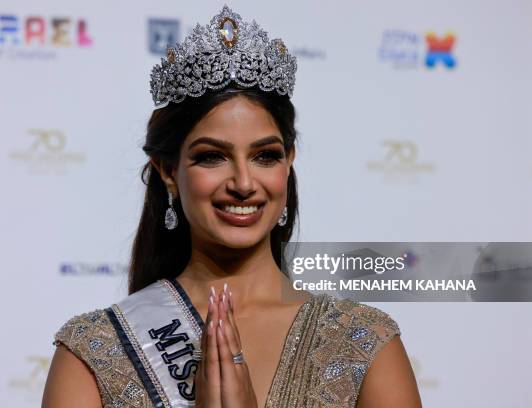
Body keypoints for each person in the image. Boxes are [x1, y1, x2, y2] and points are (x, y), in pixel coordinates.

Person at [42, 5, 421, 408]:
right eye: (211, 157)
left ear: (289, 161)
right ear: (168, 170)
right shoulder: (94, 350)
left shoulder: (363, 344)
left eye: (265, 156)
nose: (243, 183)